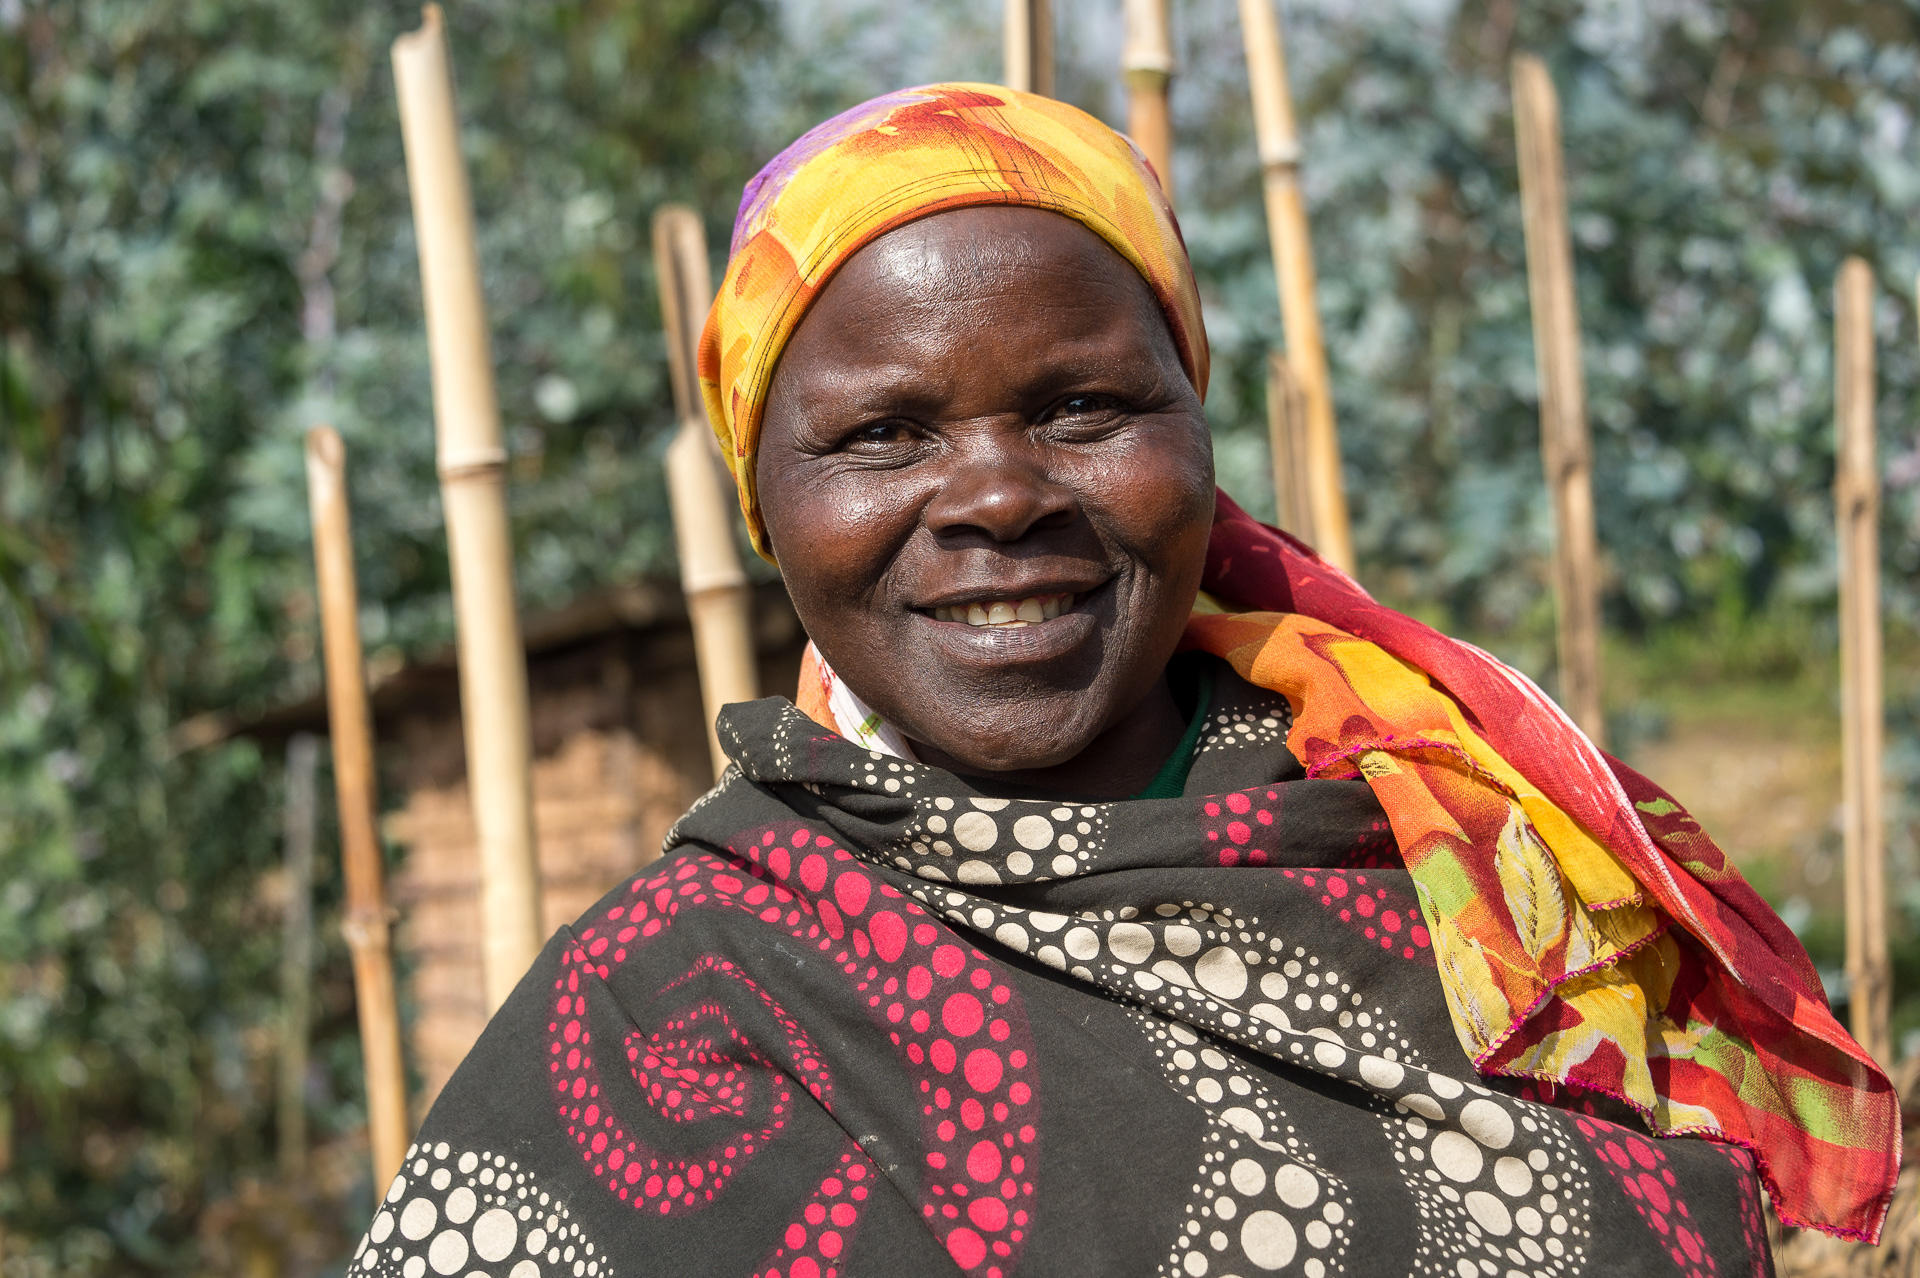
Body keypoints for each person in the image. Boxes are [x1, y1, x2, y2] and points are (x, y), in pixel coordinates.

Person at [352, 84, 1895, 1277]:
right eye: (885, 433)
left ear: (1200, 437)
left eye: (1084, 405)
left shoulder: (1469, 873)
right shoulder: (672, 1007)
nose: (1000, 496)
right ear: (770, 504)